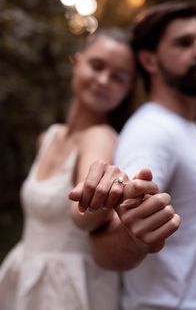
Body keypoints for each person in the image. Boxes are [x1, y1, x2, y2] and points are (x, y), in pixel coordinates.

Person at [70, 2, 196, 310]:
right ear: (149, 60)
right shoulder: (153, 131)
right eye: (184, 42)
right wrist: (134, 237)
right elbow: (105, 243)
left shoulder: (185, 128)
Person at [0, 27, 140, 310]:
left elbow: (83, 214)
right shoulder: (49, 137)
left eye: (118, 77)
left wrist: (96, 200)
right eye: (97, 66)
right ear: (77, 61)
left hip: (67, 292)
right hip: (26, 278)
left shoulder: (99, 137)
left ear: (127, 90)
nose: (103, 80)